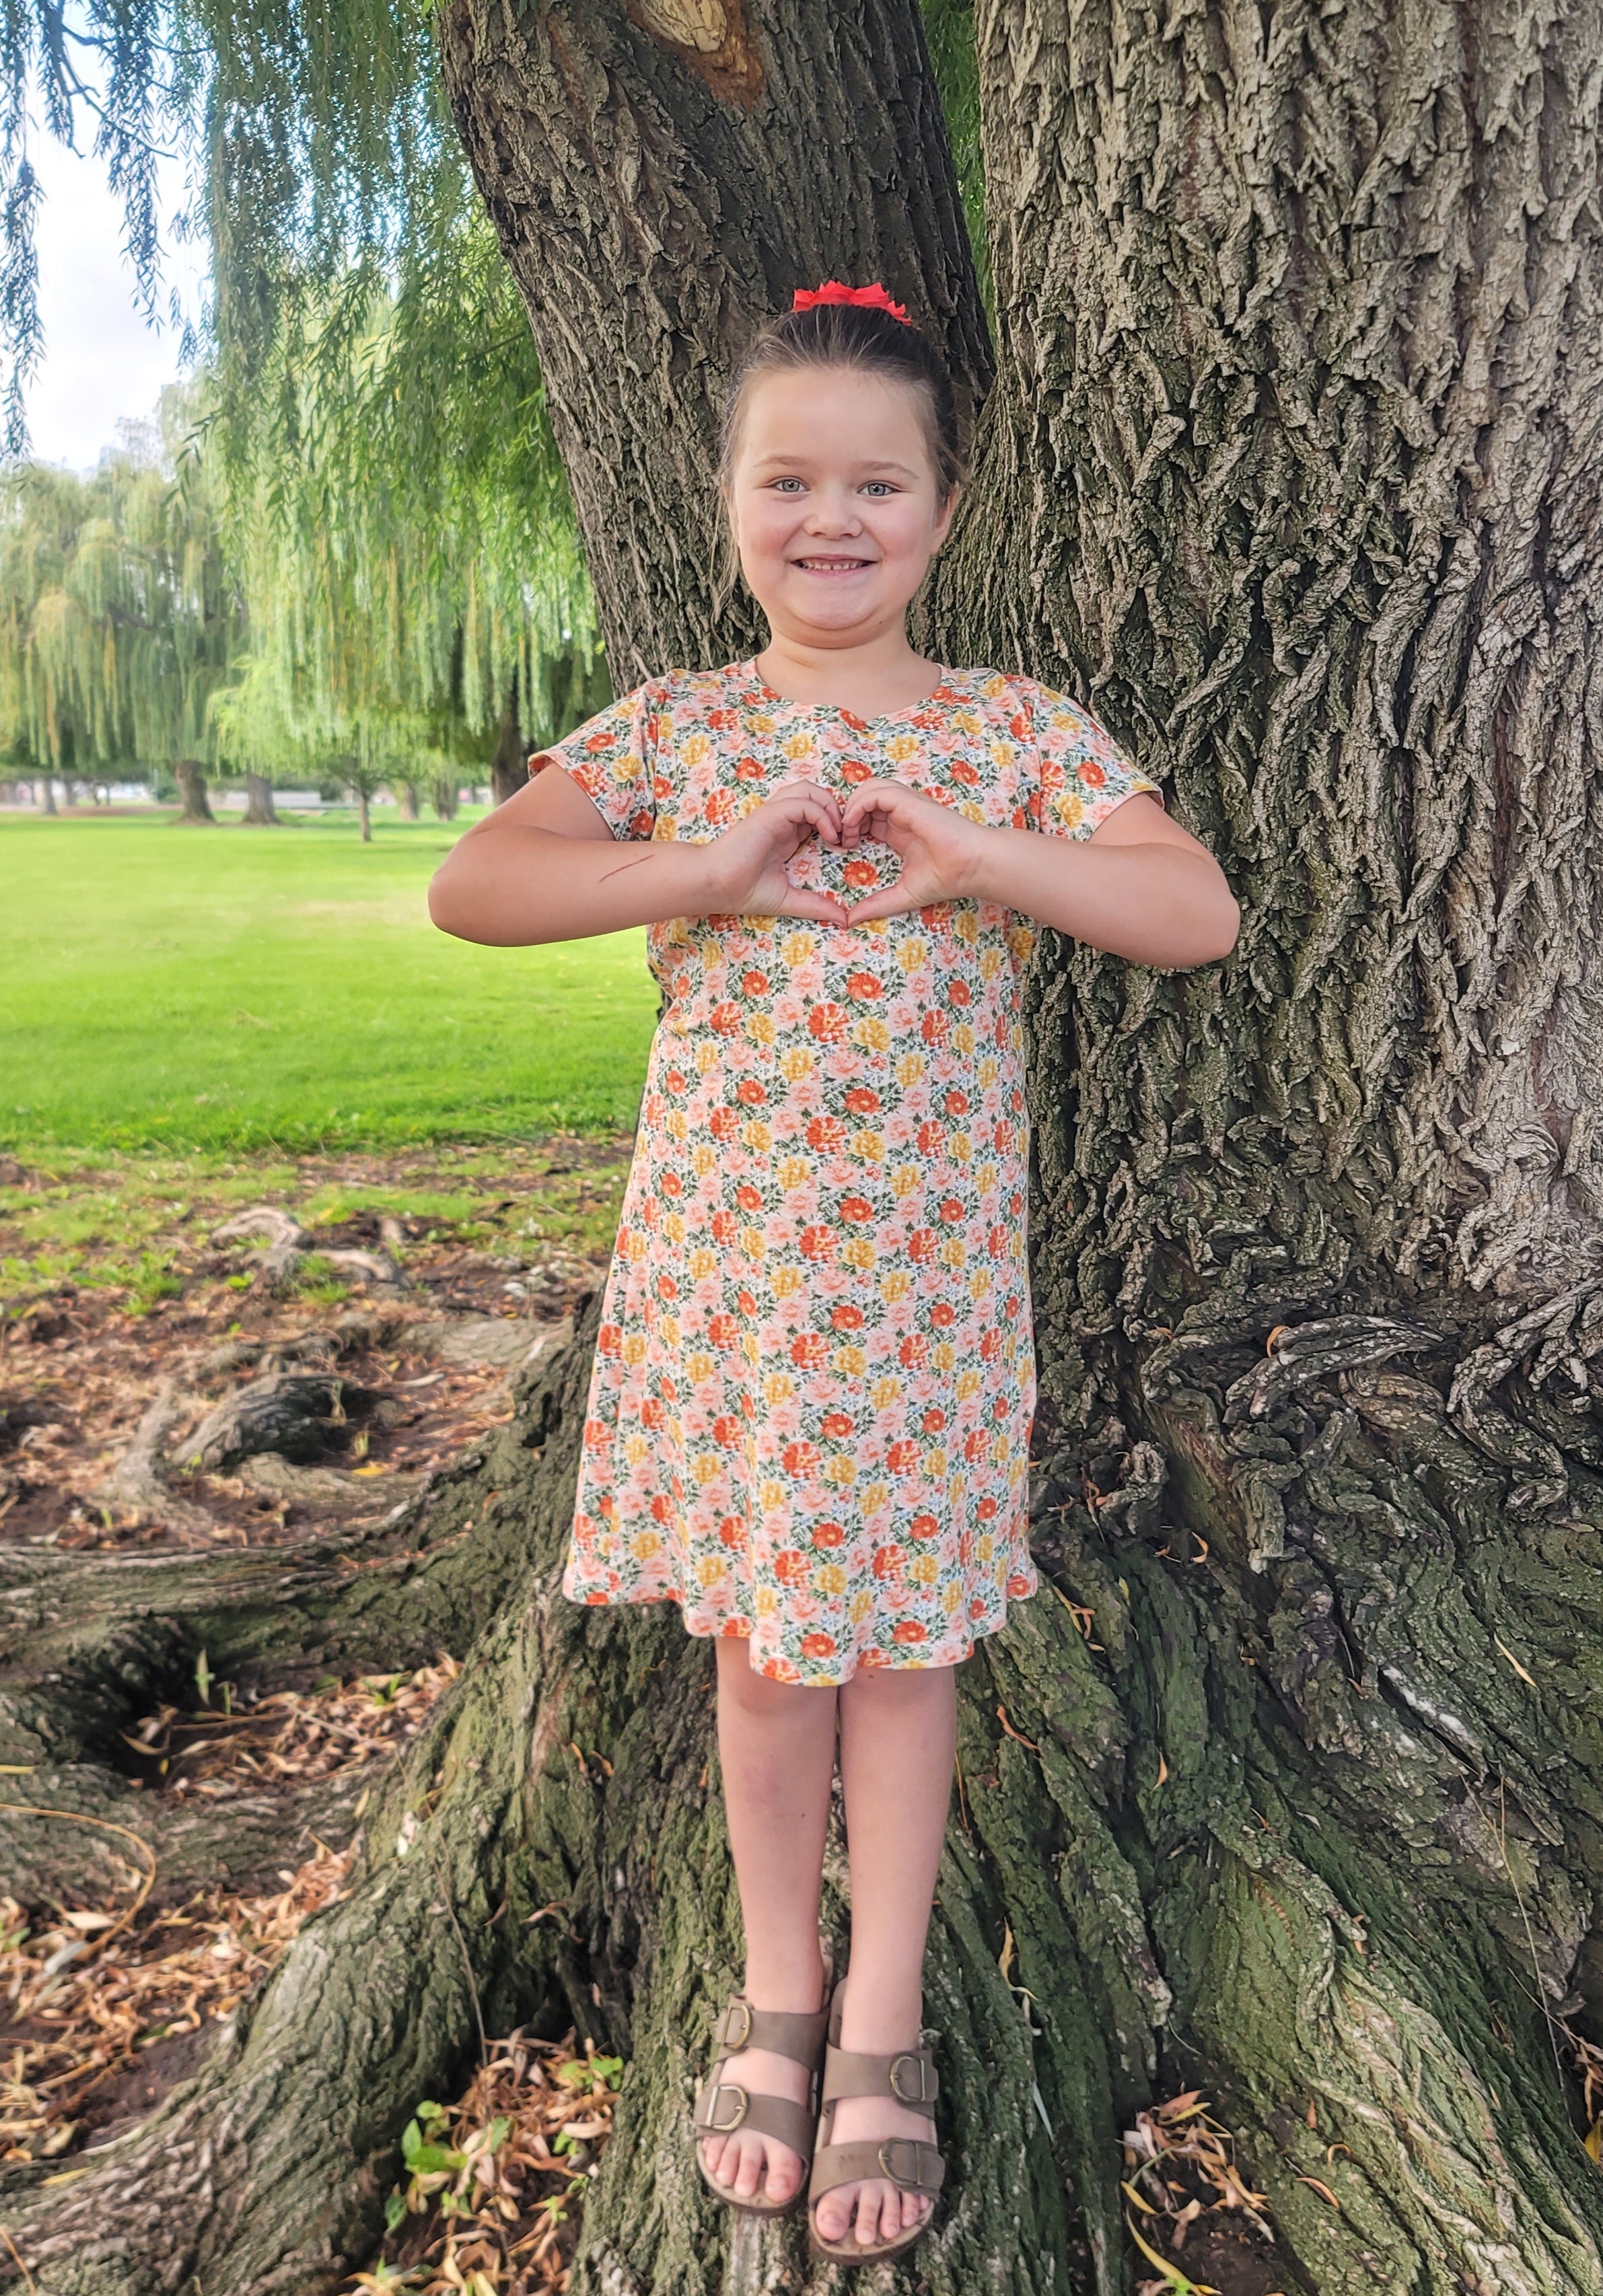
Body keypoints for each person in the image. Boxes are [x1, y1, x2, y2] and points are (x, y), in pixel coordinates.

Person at [427, 279, 1239, 2266]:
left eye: (876, 483)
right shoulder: (682, 731)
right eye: (789, 481)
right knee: (765, 1656)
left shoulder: (1012, 734)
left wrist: (978, 850)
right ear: (730, 504)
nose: (832, 518)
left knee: (906, 1656)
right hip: (735, 1295)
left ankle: (887, 2022)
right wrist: (704, 866)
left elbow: (1191, 909)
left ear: (943, 511)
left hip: (932, 1308)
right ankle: (778, 1990)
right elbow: (480, 883)